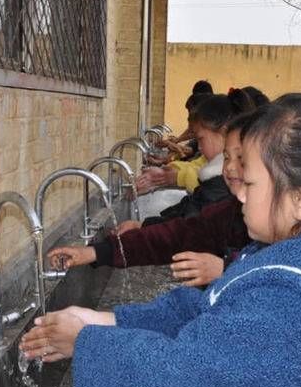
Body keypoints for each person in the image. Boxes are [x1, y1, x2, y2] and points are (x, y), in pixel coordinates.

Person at [20, 93, 301, 387]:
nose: (236, 189)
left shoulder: (296, 299)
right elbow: (213, 307)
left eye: (249, 181)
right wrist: (104, 320)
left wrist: (86, 342)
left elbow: (187, 374)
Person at [47, 117, 252, 287]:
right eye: (226, 157)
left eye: (241, 159)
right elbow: (177, 235)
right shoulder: (231, 211)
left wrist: (227, 270)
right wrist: (95, 252)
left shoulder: (273, 235)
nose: (230, 168)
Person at [120, 89, 256, 232]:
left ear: (223, 132)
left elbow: (189, 227)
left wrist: (145, 226)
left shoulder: (223, 183)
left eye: (200, 139)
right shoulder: (216, 177)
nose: (200, 148)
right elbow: (189, 210)